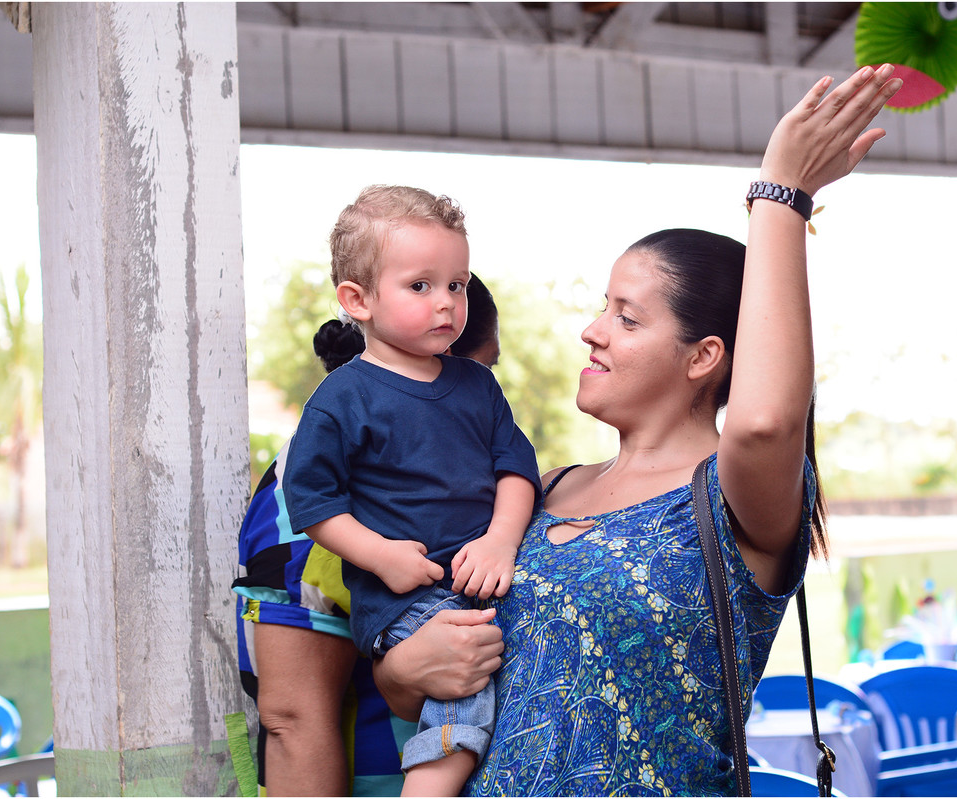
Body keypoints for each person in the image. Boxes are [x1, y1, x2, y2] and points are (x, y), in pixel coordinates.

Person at [370, 64, 904, 795]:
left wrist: (780, 192)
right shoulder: (538, 491)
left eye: (627, 316)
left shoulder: (734, 500)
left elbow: (763, 420)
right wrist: (401, 667)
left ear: (704, 356)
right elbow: (439, 690)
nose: (593, 332)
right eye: (603, 307)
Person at [280, 184, 540, 797]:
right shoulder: (343, 398)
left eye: (457, 284)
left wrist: (502, 540)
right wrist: (382, 557)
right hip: (409, 593)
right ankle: (426, 790)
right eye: (420, 286)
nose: (448, 303)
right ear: (358, 299)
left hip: (483, 572)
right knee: (465, 661)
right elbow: (313, 502)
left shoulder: (477, 386)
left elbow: (516, 470)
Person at [233, 270, 513, 797]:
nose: (491, 391)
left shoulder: (444, 474)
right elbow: (293, 720)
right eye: (487, 368)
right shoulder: (315, 499)